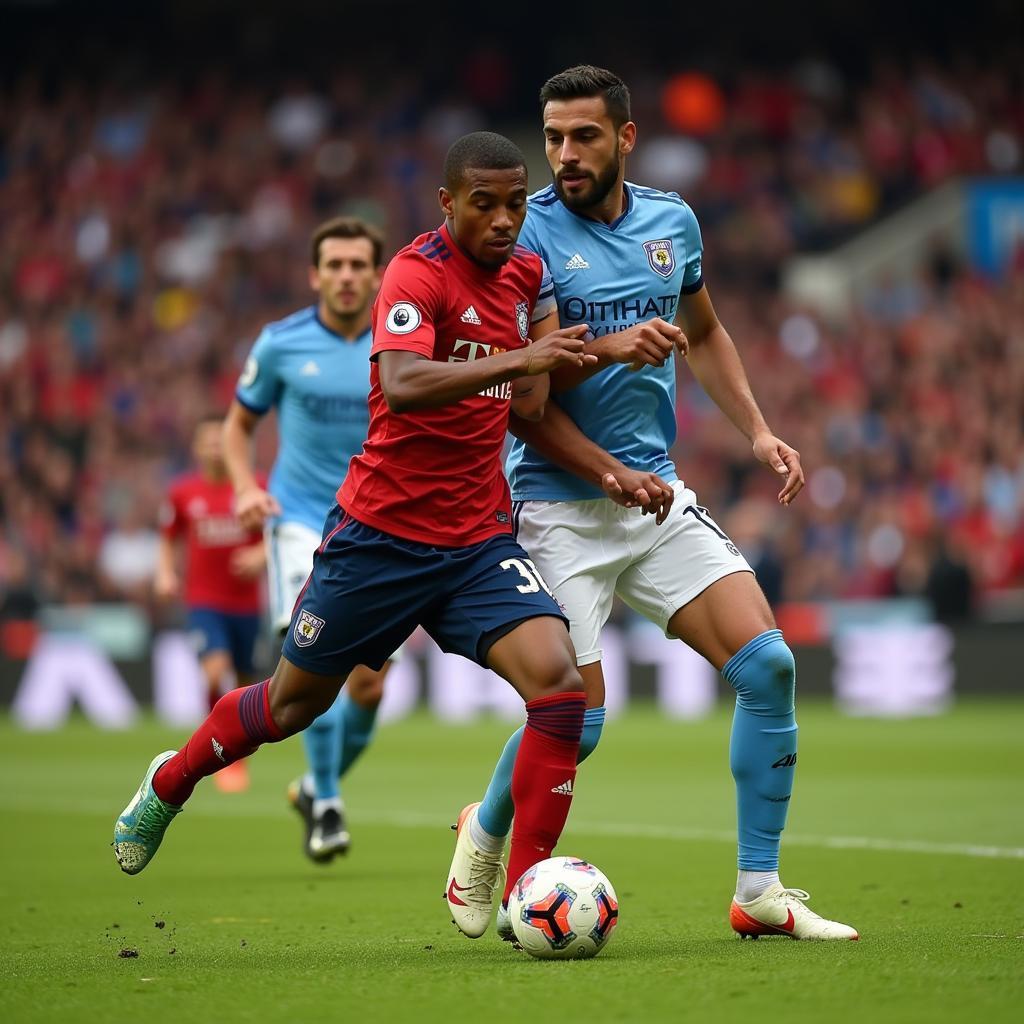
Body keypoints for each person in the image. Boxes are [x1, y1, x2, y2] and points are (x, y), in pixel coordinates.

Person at [113, 134, 667, 919]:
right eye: (486, 203)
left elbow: (535, 400)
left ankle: (523, 889)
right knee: (289, 707)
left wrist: (597, 353)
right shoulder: (414, 272)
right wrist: (518, 360)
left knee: (561, 689)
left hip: (476, 540)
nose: (506, 219)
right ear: (449, 204)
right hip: (379, 538)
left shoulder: (527, 276)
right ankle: (171, 781)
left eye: (516, 202)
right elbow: (404, 384)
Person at [448, 67, 858, 942]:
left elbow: (703, 331)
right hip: (561, 506)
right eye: (552, 137)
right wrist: (605, 355)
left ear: (625, 138)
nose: (563, 155)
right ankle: (484, 830)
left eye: (583, 136)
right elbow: (528, 407)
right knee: (578, 723)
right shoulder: (526, 244)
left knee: (769, 668)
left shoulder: (672, 223)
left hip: (653, 495)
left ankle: (759, 892)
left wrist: (754, 429)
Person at [223, 216, 393, 861]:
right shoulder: (281, 343)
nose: (347, 276)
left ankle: (316, 787)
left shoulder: (401, 341)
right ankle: (326, 802)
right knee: (313, 661)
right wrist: (244, 487)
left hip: (377, 525)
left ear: (377, 275)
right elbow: (239, 427)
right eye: (335, 265)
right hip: (297, 521)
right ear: (314, 274)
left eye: (358, 265)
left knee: (370, 688)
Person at [154, 415, 266, 793]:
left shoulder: (255, 488)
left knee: (249, 689)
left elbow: (282, 534)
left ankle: (237, 757)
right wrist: (166, 573)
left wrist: (262, 556)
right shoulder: (183, 493)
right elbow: (168, 537)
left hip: (249, 605)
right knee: (216, 673)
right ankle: (218, 751)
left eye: (222, 441)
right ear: (197, 448)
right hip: (204, 603)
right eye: (209, 442)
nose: (216, 448)